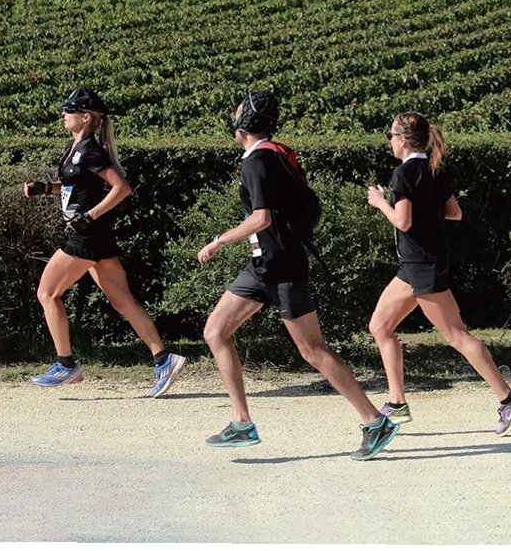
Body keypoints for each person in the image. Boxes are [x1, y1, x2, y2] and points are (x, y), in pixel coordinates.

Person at [196, 92, 398, 460]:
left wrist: (218, 241)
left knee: (312, 350)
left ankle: (375, 422)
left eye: (238, 111)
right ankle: (242, 423)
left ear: (244, 123)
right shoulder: (272, 154)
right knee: (215, 331)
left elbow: (261, 219)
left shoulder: (257, 161)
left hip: (283, 266)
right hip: (263, 265)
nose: (233, 115)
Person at [366, 111, 511, 435]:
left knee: (457, 335)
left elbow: (403, 222)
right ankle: (397, 403)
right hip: (415, 266)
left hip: (423, 266)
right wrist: (426, 212)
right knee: (380, 326)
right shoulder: (434, 169)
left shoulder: (403, 174)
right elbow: (454, 213)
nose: (390, 142)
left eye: (391, 136)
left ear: (402, 140)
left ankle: (508, 398)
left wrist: (380, 202)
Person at [23, 87, 186, 397]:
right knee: (122, 301)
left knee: (47, 293)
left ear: (86, 117)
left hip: (86, 236)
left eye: (69, 111)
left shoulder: (90, 150)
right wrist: (45, 188)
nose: (64, 115)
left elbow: (121, 188)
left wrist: (89, 216)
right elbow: (74, 186)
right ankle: (164, 359)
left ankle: (66, 364)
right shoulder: (76, 148)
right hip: (96, 236)